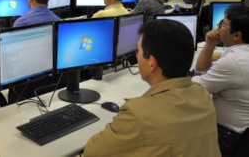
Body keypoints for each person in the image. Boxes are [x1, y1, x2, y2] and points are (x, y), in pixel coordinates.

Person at [84, 19, 220, 157]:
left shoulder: (138, 113)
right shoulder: (201, 93)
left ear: (151, 63)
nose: (137, 56)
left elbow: (91, 152)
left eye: (139, 51)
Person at [192, 5, 249, 157]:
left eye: (223, 24)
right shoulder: (241, 52)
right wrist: (210, 45)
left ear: (236, 35)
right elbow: (201, 71)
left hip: (231, 136)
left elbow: (198, 88)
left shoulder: (234, 62)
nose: (218, 27)